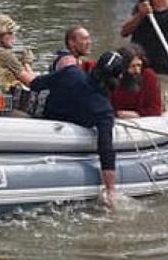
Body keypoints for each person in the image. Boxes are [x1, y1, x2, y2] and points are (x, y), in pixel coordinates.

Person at [17, 50, 125, 206]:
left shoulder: (70, 73)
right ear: (118, 78)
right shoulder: (104, 110)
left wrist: (20, 66)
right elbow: (106, 149)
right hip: (62, 143)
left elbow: (35, 84)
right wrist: (111, 189)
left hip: (40, 127)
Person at [109, 45, 163, 119]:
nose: (137, 70)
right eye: (132, 66)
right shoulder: (113, 77)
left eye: (139, 65)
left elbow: (155, 110)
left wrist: (138, 114)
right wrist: (117, 113)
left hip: (142, 120)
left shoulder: (149, 77)